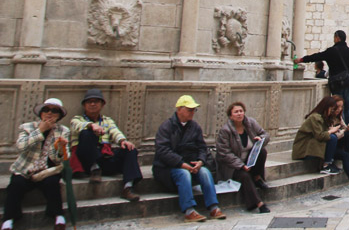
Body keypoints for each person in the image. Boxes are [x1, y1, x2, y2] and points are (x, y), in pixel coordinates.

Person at [1, 98, 71, 230]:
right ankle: (8, 223)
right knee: (16, 186)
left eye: (54, 111)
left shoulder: (63, 131)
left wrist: (60, 148)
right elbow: (21, 147)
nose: (50, 113)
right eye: (47, 110)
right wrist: (41, 130)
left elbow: (62, 158)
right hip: (26, 169)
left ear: (59, 115)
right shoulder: (27, 127)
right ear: (41, 113)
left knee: (52, 184)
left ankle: (59, 219)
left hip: (47, 170)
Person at [152, 95, 227, 223]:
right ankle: (189, 210)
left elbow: (202, 148)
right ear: (179, 109)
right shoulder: (167, 127)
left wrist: (200, 161)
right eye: (189, 109)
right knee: (183, 173)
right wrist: (181, 164)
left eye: (193, 110)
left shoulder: (195, 127)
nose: (192, 112)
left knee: (205, 172)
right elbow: (163, 150)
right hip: (168, 168)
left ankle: (213, 207)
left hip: (191, 165)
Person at [69, 88, 142, 201]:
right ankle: (95, 168)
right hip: (85, 161)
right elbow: (77, 126)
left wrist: (123, 141)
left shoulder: (107, 121)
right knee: (86, 134)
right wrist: (91, 126)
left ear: (102, 104)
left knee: (130, 149)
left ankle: (128, 187)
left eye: (96, 101)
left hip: (104, 158)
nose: (93, 104)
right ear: (84, 105)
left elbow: (115, 131)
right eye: (89, 102)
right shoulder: (77, 119)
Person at [291, 96, 349, 190]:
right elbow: (320, 136)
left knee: (345, 155)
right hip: (307, 149)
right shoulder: (315, 117)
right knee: (332, 137)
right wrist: (332, 131)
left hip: (321, 146)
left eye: (339, 108)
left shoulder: (328, 117)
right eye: (334, 108)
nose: (336, 110)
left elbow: (333, 131)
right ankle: (326, 165)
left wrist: (339, 130)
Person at [293, 30, 349, 125]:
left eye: (334, 37)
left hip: (337, 83)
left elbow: (317, 57)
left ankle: (341, 127)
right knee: (347, 107)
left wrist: (302, 59)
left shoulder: (332, 51)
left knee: (338, 107)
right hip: (348, 83)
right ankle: (348, 128)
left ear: (337, 38)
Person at [216, 102, 270, 214]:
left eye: (241, 111)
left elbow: (265, 134)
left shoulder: (250, 123)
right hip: (234, 166)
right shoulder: (225, 131)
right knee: (244, 176)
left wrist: (260, 139)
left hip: (250, 160)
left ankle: (257, 177)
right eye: (236, 112)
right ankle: (259, 204)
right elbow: (224, 153)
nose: (239, 114)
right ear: (230, 116)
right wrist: (241, 165)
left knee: (262, 152)